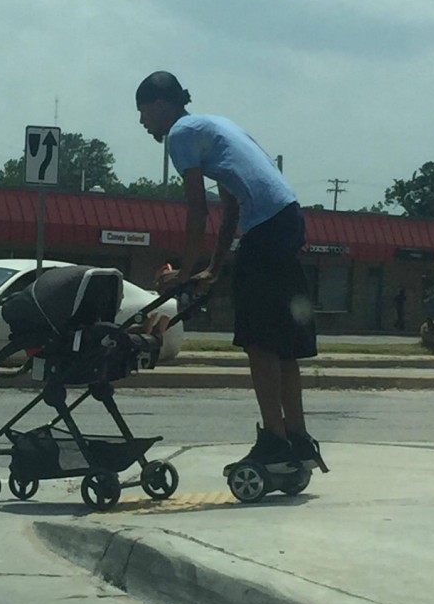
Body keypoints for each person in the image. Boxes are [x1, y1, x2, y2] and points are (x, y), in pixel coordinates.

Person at [135, 70, 327, 475]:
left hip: (267, 228)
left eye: (143, 112)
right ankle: (298, 437)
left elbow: (196, 211)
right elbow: (231, 209)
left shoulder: (182, 134)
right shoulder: (216, 126)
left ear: (161, 105)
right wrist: (211, 269)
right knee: (284, 342)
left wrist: (184, 272)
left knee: (259, 341)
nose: (142, 122)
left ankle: (274, 440)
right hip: (288, 218)